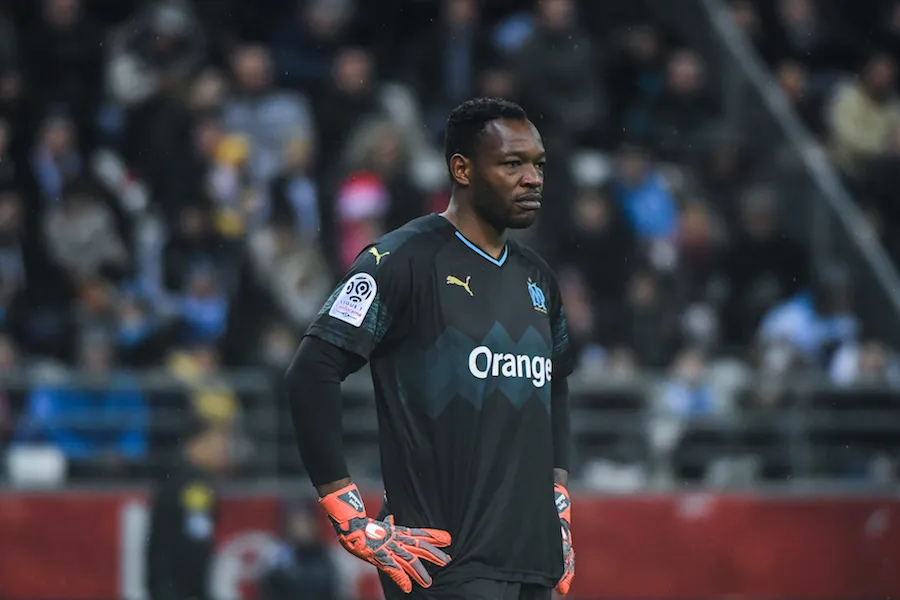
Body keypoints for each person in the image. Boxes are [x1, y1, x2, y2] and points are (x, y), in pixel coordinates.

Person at [286, 97, 576, 600]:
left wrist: (558, 500)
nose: (533, 179)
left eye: (538, 165)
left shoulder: (538, 277)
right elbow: (312, 371)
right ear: (462, 169)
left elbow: (557, 384)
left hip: (533, 563)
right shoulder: (401, 261)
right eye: (512, 164)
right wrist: (345, 510)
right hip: (442, 563)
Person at [145, 417, 232, 600]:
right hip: (181, 590)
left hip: (164, 585)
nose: (222, 451)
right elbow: (196, 540)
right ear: (195, 444)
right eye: (215, 444)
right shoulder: (196, 487)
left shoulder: (172, 476)